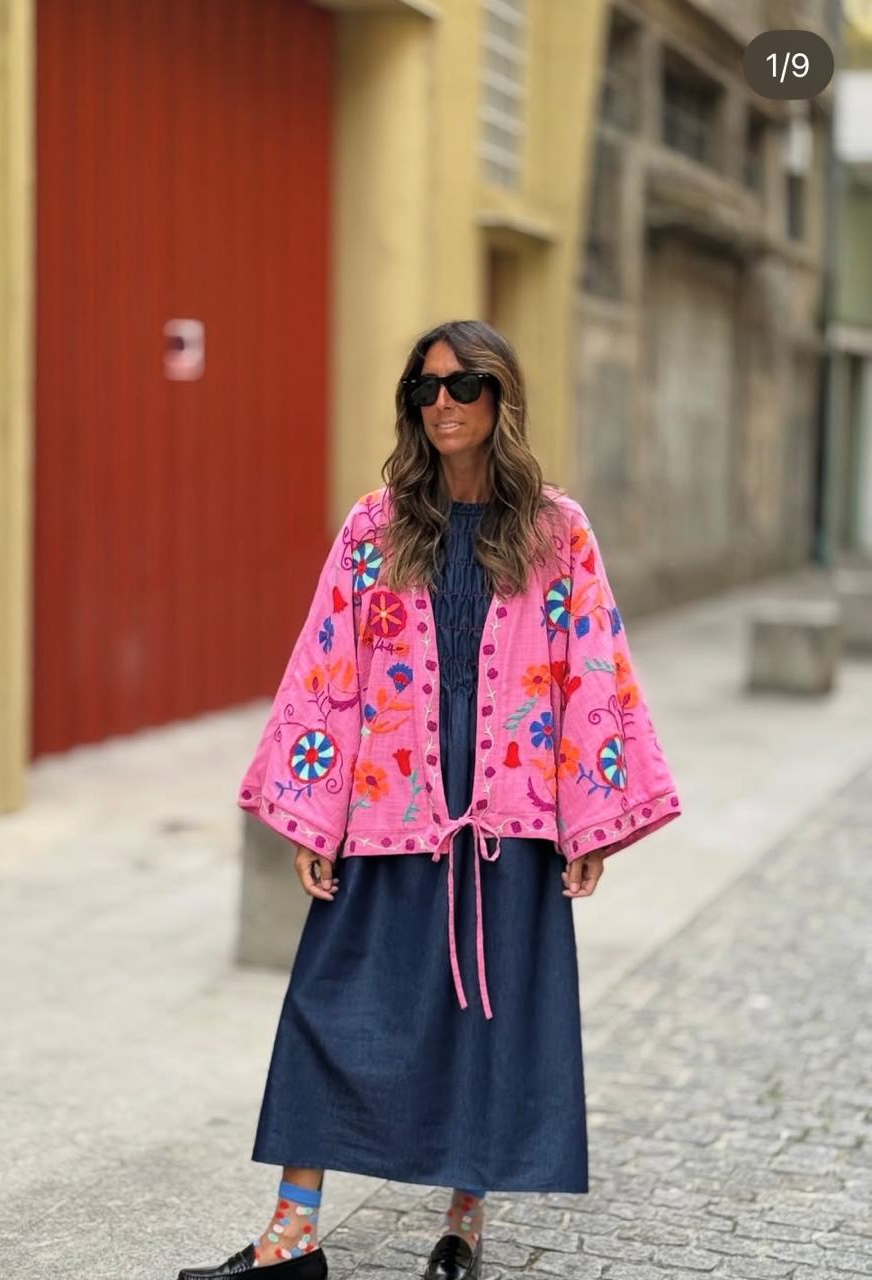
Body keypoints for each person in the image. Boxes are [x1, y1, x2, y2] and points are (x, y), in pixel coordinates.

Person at [178, 319, 680, 1280]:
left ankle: (463, 1225)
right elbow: (329, 663)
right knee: (329, 1005)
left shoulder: (554, 529)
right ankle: (291, 1234)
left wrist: (589, 820)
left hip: (511, 816)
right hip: (389, 804)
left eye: (462, 386)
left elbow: (593, 667)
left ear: (501, 398)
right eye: (425, 389)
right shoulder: (376, 526)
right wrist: (314, 810)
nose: (441, 404)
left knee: (487, 1025)